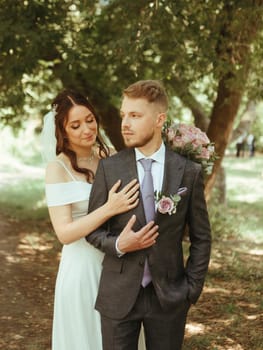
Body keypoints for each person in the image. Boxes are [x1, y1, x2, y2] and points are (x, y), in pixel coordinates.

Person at [86, 80, 212, 350]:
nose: (125, 123)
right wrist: (120, 244)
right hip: (118, 294)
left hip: (169, 296)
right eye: (123, 115)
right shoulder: (109, 169)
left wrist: (191, 289)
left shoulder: (188, 172)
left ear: (159, 119)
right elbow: (94, 231)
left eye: (135, 115)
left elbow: (202, 237)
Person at [41, 89, 157, 350]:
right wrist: (108, 209)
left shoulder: (109, 156)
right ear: (63, 131)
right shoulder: (56, 170)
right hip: (83, 269)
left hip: (119, 264)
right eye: (76, 125)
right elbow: (65, 233)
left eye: (90, 119)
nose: (87, 128)